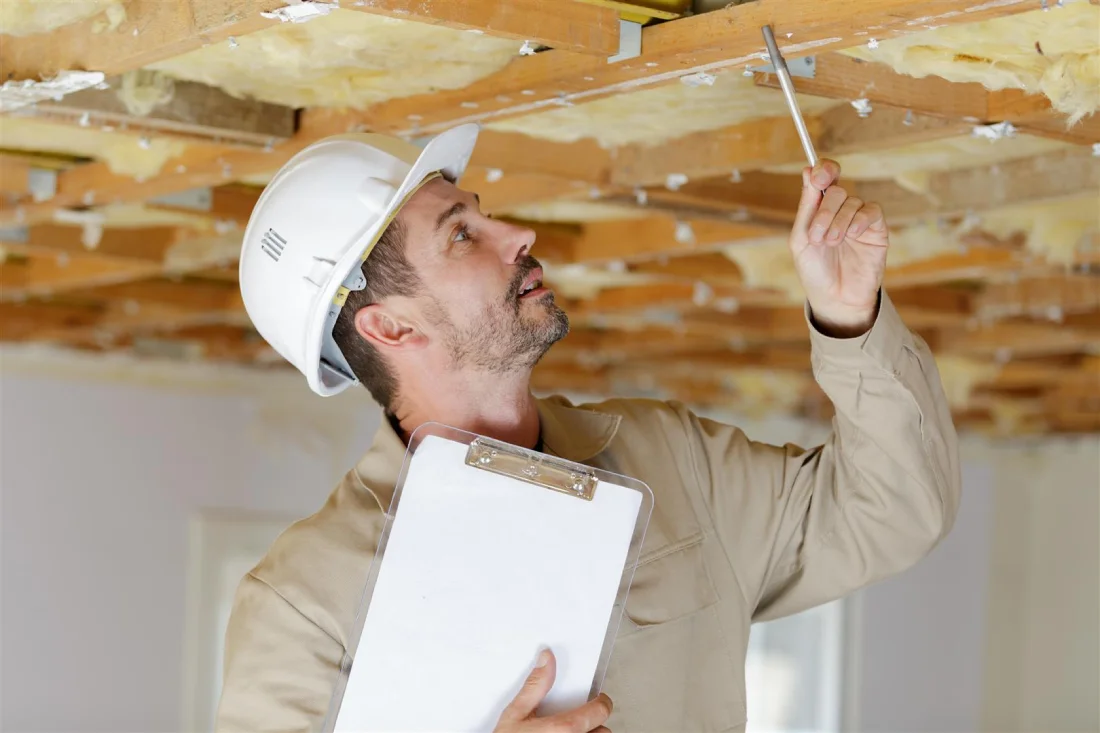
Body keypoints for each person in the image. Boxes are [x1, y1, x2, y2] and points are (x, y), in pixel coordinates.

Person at [218, 123, 960, 732]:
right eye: (461, 236)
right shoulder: (306, 600)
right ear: (389, 325)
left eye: (482, 213)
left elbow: (892, 511)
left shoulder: (669, 460)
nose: (518, 232)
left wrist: (848, 320)